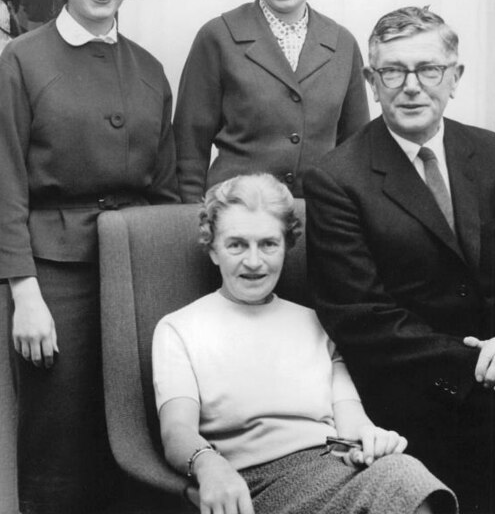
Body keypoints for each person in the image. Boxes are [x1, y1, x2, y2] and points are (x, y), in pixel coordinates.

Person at [0, 0, 178, 514]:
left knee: (136, 431)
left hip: (135, 275)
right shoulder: (21, 61)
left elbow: (167, 189)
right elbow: (6, 183)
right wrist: (24, 292)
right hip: (55, 279)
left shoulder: (152, 71)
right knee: (58, 436)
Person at [152, 173, 457, 514]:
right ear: (212, 250)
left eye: (268, 244)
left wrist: (373, 438)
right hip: (248, 484)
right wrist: (210, 466)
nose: (254, 261)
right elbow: (176, 431)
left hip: (335, 465)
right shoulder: (179, 328)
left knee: (407, 476)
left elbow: (351, 420)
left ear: (287, 247)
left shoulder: (315, 322)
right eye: (236, 244)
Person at [304, 6, 495, 514]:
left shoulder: (493, 153)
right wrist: (476, 362)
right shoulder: (337, 179)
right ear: (372, 81)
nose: (411, 86)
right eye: (393, 71)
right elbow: (360, 317)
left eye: (428, 69)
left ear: (454, 77)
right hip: (419, 401)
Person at [173, 0, 369, 203]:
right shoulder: (217, 36)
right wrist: (189, 221)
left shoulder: (343, 43)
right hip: (236, 221)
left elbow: (356, 149)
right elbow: (188, 150)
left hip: (319, 221)